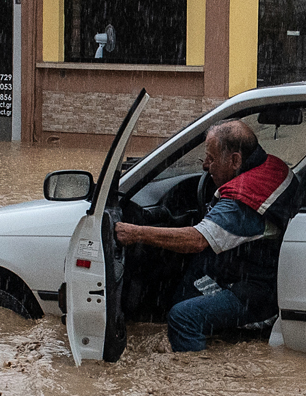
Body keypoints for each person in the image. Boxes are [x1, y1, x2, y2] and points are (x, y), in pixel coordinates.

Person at [114, 118, 296, 352]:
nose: (205, 166)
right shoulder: (271, 167)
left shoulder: (241, 201)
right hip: (263, 271)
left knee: (183, 316)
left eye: (211, 158)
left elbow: (196, 240)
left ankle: (192, 378)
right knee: (193, 272)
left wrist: (136, 233)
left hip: (257, 292)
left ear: (235, 160)